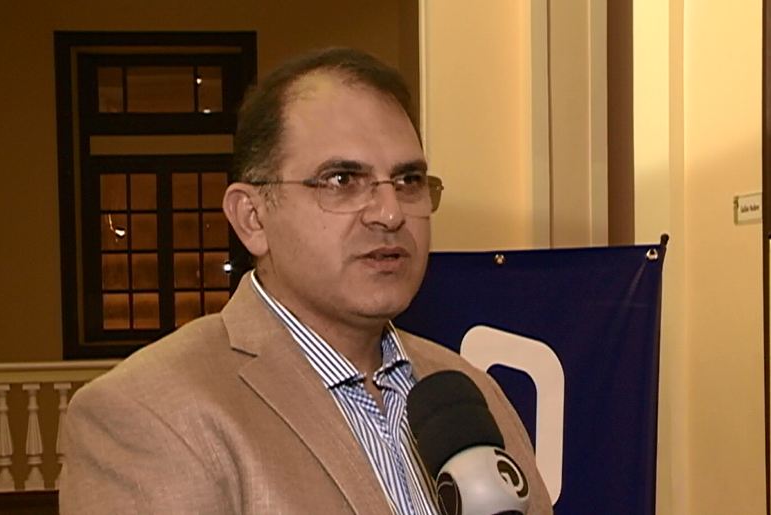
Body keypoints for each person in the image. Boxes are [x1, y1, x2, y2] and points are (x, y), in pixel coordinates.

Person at [60, 47, 553, 514]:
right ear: (252, 217)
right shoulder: (147, 414)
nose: (389, 213)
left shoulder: (471, 393)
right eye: (342, 180)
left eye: (408, 181)